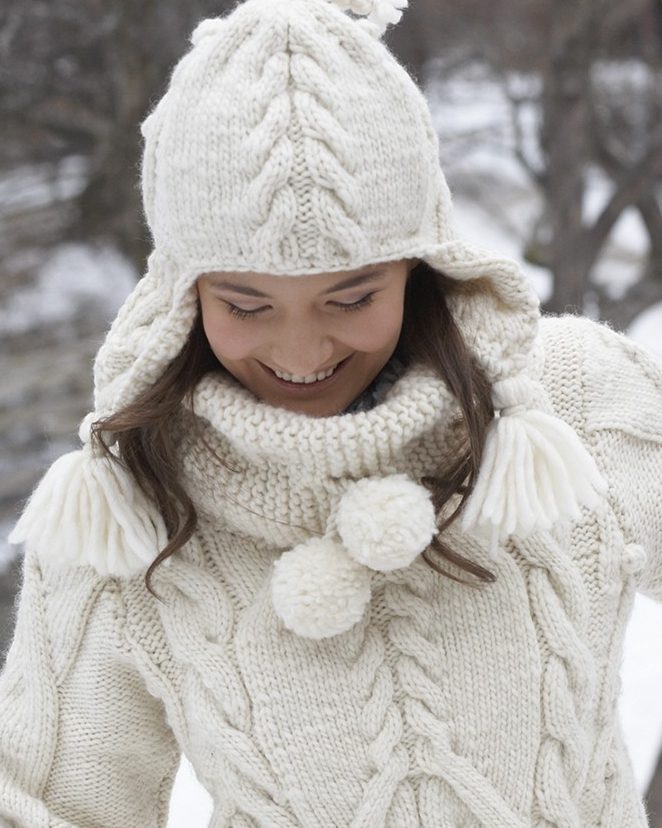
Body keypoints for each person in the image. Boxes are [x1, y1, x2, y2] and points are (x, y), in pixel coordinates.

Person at [1, 0, 661, 824]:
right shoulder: (127, 507)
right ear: (184, 293)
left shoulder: (580, 402)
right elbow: (46, 803)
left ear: (421, 268)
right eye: (245, 306)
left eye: (352, 297)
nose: (303, 352)